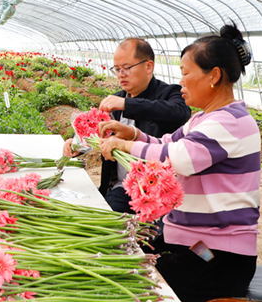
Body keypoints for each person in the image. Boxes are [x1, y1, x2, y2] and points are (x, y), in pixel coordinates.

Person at [97, 23, 260, 302]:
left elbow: (178, 158)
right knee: (127, 252)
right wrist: (132, 134)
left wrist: (125, 147)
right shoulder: (204, 119)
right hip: (196, 244)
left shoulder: (229, 122)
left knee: (135, 274)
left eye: (186, 74)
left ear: (214, 75)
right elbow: (166, 142)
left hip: (219, 258)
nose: (181, 83)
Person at [63, 38, 191, 213]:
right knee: (106, 219)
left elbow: (179, 113)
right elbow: (96, 130)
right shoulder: (115, 102)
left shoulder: (169, 94)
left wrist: (127, 104)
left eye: (126, 68)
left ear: (148, 66)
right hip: (123, 188)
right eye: (117, 69)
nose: (121, 74)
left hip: (158, 190)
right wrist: (77, 143)